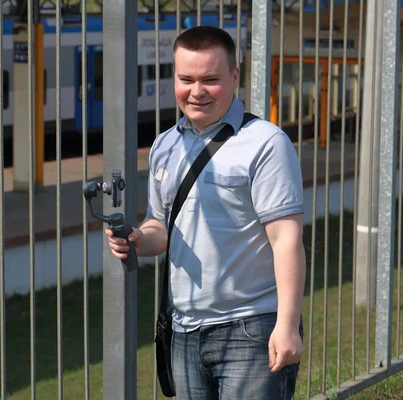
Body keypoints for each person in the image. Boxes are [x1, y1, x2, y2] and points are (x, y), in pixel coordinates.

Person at [105, 25, 306, 399]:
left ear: (234, 77)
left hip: (251, 329)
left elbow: (286, 239)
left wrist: (288, 325)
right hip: (184, 331)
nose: (196, 91)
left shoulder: (266, 144)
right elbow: (161, 226)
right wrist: (137, 239)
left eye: (210, 79)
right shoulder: (164, 145)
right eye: (186, 79)